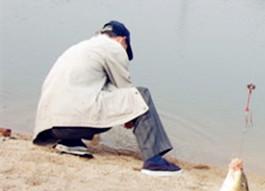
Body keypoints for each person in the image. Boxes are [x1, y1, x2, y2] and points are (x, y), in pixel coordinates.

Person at [33, 20, 182, 176]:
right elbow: (128, 92)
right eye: (126, 48)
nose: (124, 52)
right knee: (142, 95)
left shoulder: (78, 48)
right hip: (70, 123)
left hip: (49, 129)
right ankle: (154, 161)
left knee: (97, 92)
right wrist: (130, 118)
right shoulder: (114, 48)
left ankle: (70, 142)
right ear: (122, 39)